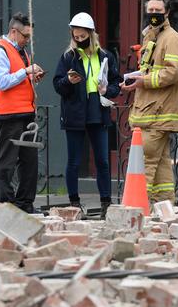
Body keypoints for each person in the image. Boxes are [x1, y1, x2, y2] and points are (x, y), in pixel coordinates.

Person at [53, 12, 121, 219]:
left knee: (102, 161)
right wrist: (67, 81)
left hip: (98, 112)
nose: (79, 40)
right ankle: (74, 203)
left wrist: (107, 91)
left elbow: (116, 83)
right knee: (74, 161)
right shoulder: (68, 57)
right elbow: (57, 84)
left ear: (91, 34)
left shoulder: (106, 56)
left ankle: (106, 204)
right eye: (76, 36)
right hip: (74, 113)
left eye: (83, 36)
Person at [121, 0, 178, 204]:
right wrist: (134, 81)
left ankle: (137, 209)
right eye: (150, 11)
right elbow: (149, 71)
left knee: (144, 163)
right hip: (151, 113)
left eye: (158, 11)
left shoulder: (171, 38)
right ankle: (165, 209)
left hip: (157, 114)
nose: (154, 15)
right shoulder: (152, 37)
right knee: (161, 167)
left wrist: (144, 81)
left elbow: (176, 72)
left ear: (167, 13)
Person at [0, 12, 44, 214]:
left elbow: (17, 79)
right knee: (6, 163)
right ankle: (5, 207)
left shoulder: (20, 51)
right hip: (8, 115)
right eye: (25, 36)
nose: (28, 40)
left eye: (29, 36)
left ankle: (25, 204)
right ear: (13, 31)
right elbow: (2, 82)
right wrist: (26, 72)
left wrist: (31, 77)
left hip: (26, 113)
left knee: (29, 163)